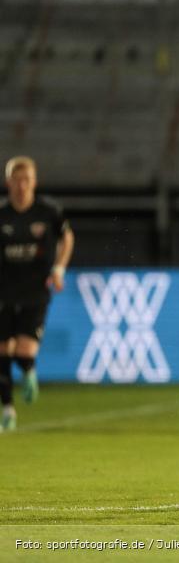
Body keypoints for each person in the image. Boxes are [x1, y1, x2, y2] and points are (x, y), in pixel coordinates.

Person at [0, 156, 74, 432]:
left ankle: (28, 370)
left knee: (23, 351)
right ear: (8, 182)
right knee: (2, 350)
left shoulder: (48, 211)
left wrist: (59, 268)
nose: (22, 186)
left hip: (35, 290)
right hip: (4, 290)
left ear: (34, 182)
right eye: (17, 180)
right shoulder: (2, 214)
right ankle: (8, 409)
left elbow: (67, 237)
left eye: (27, 180)